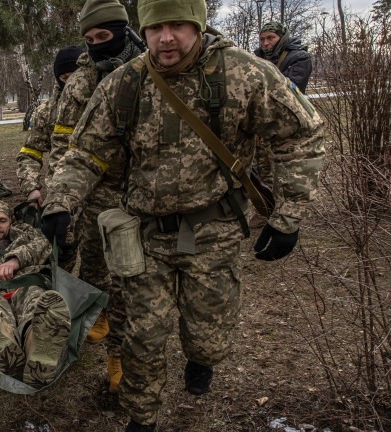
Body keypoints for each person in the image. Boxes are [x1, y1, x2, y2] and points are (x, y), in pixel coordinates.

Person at [40, 0, 325, 429]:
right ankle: (141, 417)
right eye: (156, 27)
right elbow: (85, 153)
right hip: (144, 234)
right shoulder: (125, 83)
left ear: (198, 24)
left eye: (177, 25)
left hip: (213, 229)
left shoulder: (244, 73)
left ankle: (201, 359)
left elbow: (300, 136)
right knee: (141, 337)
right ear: (144, 30)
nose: (166, 37)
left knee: (208, 337)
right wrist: (60, 200)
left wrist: (289, 217)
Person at [45, 0, 143, 393]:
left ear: (122, 31)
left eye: (104, 36)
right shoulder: (82, 80)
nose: (98, 46)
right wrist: (60, 197)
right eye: (89, 39)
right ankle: (96, 312)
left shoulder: (150, 69)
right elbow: (62, 141)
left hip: (143, 195)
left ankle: (118, 353)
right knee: (96, 266)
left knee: (130, 280)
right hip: (93, 191)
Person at [0, 200, 70, 387]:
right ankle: (5, 342)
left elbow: (43, 244)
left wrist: (14, 260)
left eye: (2, 220)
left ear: (11, 221)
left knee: (36, 305)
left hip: (25, 282)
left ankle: (36, 344)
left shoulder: (27, 233)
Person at [16, 45, 84, 208]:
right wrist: (31, 187)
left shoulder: (103, 103)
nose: (70, 83)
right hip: (60, 198)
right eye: (64, 78)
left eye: (75, 76)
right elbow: (30, 152)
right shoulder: (47, 112)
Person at [254, 21, 314, 189]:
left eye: (270, 38)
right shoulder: (256, 58)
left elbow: (288, 92)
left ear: (282, 38)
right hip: (263, 126)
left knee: (288, 176)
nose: (266, 43)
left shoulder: (298, 57)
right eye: (262, 39)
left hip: (288, 125)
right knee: (263, 174)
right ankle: (268, 210)